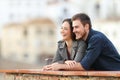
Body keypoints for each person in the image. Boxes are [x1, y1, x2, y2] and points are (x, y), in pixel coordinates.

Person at [44, 13, 120, 71]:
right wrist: (64, 62)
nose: (74, 31)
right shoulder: (85, 41)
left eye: (76, 27)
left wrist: (60, 66)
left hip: (115, 73)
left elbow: (83, 66)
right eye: (73, 28)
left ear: (86, 27)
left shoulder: (96, 39)